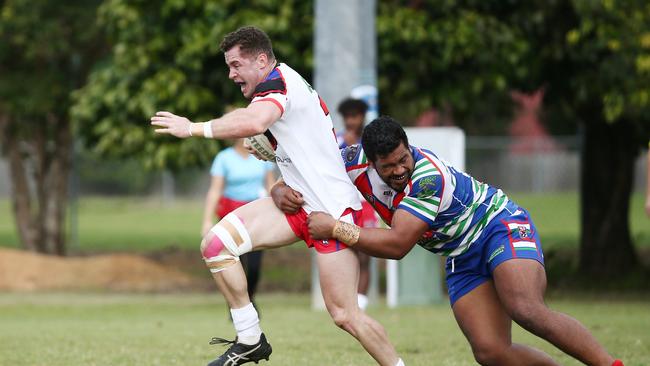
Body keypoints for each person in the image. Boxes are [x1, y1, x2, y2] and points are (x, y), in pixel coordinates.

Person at [273, 116, 624, 366]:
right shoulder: (351, 163)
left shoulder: (427, 177)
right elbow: (304, 174)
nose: (398, 171)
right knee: (490, 352)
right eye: (388, 166)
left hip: (497, 225)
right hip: (459, 253)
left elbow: (398, 246)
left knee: (525, 308)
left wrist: (335, 229)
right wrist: (279, 190)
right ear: (369, 161)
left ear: (408, 148)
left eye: (403, 159)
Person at [150, 26, 404, 366]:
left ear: (261, 60)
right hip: (298, 205)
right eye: (228, 65)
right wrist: (277, 185)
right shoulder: (273, 90)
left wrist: (193, 128)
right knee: (216, 245)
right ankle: (250, 338)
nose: (231, 74)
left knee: (345, 315)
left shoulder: (278, 85)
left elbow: (254, 122)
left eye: (236, 65)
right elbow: (283, 147)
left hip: (331, 212)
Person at [202, 138, 275, 305]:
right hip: (232, 216)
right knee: (235, 263)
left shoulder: (262, 154)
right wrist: (207, 220)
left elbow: (271, 186)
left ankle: (249, 297)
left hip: (257, 216)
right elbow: (215, 190)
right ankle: (238, 303)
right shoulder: (223, 158)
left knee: (255, 266)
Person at [337, 98, 377, 310]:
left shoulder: (372, 142)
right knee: (345, 254)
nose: (352, 120)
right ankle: (346, 301)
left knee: (365, 256)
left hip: (367, 203)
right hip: (345, 203)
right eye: (348, 117)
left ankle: (360, 305)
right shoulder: (337, 141)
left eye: (356, 116)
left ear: (363, 116)